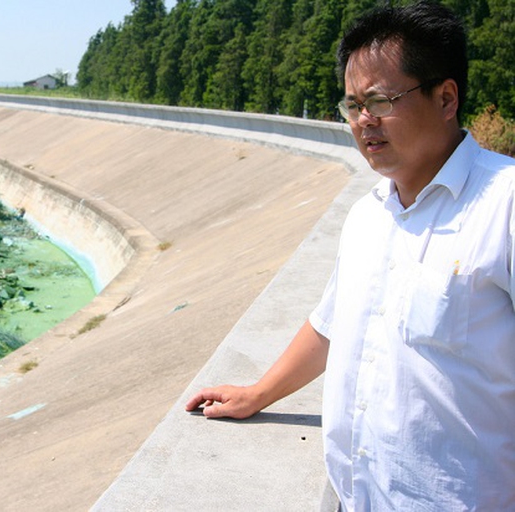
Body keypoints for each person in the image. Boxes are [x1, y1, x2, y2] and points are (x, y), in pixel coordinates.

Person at [185, 2, 515, 510]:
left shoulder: (504, 203)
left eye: (381, 101)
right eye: (352, 105)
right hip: (356, 497)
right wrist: (258, 394)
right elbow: (333, 325)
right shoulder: (369, 213)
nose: (364, 122)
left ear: (446, 98)